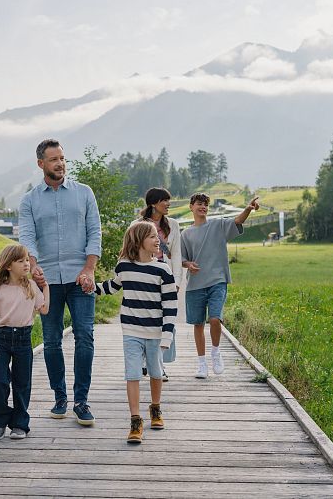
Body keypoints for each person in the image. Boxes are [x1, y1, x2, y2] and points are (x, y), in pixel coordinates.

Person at [18, 139, 102, 426]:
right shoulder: (30, 200)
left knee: (84, 336)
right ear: (41, 163)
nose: (60, 164)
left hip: (81, 278)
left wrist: (89, 269)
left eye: (62, 158)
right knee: (51, 341)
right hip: (47, 282)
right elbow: (27, 236)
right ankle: (60, 397)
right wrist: (34, 264)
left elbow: (95, 232)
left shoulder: (84, 193)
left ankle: (81, 401)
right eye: (53, 159)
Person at [94, 221, 176, 443]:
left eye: (157, 236)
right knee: (132, 374)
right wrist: (91, 286)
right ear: (139, 240)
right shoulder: (124, 267)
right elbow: (111, 286)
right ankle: (135, 420)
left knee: (156, 373)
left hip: (156, 332)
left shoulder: (163, 270)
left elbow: (170, 305)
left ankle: (156, 408)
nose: (157, 240)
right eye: (151, 236)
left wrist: (167, 335)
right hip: (131, 330)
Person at [0, 244, 50, 440]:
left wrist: (46, 287)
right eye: (21, 261)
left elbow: (44, 310)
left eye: (27, 260)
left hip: (24, 340)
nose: (26, 264)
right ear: (8, 266)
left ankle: (19, 425)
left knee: (22, 384)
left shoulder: (31, 287)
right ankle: (0, 419)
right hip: (2, 340)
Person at [181, 193, 259, 378]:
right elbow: (182, 258)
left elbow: (238, 221)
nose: (203, 207)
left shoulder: (218, 225)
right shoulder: (186, 233)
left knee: (215, 319)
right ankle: (201, 364)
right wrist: (187, 264)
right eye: (199, 204)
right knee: (198, 324)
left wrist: (248, 209)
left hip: (218, 280)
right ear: (191, 206)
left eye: (206, 205)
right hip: (195, 285)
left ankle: (215, 352)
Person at [134, 187, 182, 381]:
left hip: (165, 276)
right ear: (154, 203)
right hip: (144, 277)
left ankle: (159, 366)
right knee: (146, 319)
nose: (168, 204)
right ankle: (146, 362)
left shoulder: (173, 225)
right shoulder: (137, 224)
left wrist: (177, 280)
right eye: (165, 200)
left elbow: (176, 254)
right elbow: (132, 251)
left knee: (165, 320)